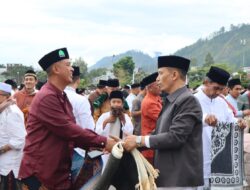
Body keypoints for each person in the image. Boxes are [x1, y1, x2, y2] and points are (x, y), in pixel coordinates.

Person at [18, 48, 116, 190]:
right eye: (68, 65)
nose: (72, 69)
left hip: (58, 174)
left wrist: (98, 145)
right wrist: (104, 142)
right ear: (57, 69)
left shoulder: (61, 96)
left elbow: (71, 134)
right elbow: (68, 130)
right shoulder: (47, 97)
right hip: (41, 176)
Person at [124, 55, 204, 189]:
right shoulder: (172, 100)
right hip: (169, 177)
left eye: (160, 73)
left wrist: (139, 140)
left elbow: (175, 137)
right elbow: (159, 133)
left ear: (174, 75)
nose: (157, 79)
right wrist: (125, 143)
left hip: (179, 179)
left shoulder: (187, 100)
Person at [194, 66, 246, 189]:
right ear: (206, 82)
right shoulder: (193, 100)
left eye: (221, 89)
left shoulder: (221, 102)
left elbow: (230, 120)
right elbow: (190, 120)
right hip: (199, 159)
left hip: (220, 162)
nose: (218, 93)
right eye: (216, 88)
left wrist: (239, 123)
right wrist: (205, 118)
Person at [64, 66, 95, 181]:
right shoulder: (80, 100)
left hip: (56, 150)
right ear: (78, 80)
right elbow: (89, 128)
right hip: (77, 151)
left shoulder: (54, 96)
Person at [95, 90, 133, 171]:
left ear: (122, 104)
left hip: (122, 151)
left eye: (118, 102)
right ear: (110, 103)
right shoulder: (104, 116)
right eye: (114, 102)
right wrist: (106, 121)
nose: (116, 104)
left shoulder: (126, 117)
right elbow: (97, 134)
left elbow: (129, 133)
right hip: (106, 153)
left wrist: (123, 120)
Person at [0, 82, 26, 190]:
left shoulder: (12, 112)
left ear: (6, 96)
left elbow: (19, 139)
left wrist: (1, 150)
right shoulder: (3, 109)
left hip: (10, 165)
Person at [140, 72, 162, 164]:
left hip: (155, 142)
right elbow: (162, 120)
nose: (160, 87)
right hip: (151, 146)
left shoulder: (156, 98)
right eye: (158, 85)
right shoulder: (149, 102)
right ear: (150, 88)